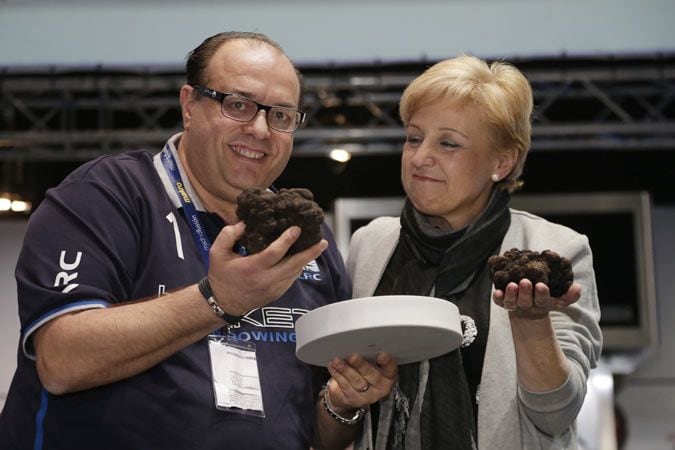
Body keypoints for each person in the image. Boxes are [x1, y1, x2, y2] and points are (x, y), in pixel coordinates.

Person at [0, 31, 395, 450]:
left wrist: (342, 403)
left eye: (280, 115)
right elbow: (62, 361)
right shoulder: (107, 196)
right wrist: (217, 299)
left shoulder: (304, 241)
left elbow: (313, 430)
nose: (260, 129)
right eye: (238, 105)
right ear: (190, 105)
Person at [345, 55, 603, 449]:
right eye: (414, 137)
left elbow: (555, 414)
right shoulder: (371, 245)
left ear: (502, 161)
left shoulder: (556, 251)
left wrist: (532, 323)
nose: (420, 157)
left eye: (448, 143)